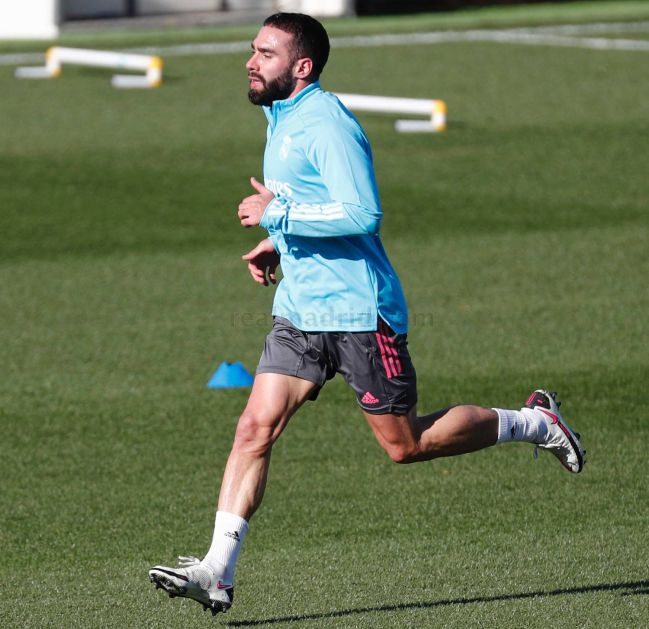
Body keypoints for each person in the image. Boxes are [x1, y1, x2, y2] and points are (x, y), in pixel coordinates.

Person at [149, 13, 586, 616]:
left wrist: (277, 219)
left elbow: (361, 214)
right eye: (253, 50)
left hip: (360, 313)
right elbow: (311, 204)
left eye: (266, 54)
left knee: (405, 446)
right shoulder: (280, 119)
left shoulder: (326, 123)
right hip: (301, 311)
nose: (251, 61)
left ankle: (535, 423)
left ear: (301, 68)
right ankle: (216, 572)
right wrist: (277, 243)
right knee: (254, 428)